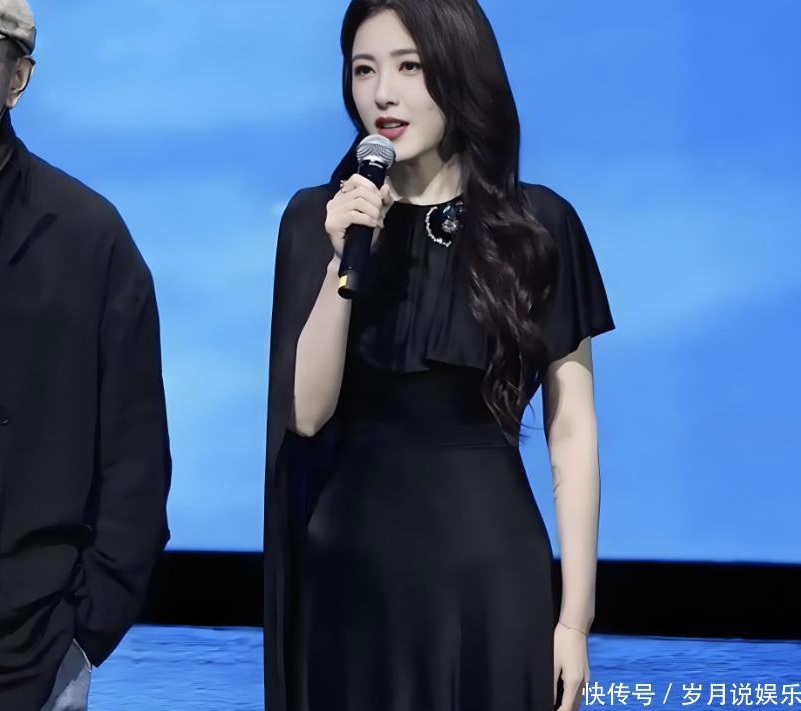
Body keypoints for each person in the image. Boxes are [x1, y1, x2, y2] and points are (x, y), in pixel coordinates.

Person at [264, 1, 614, 709]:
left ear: (458, 71)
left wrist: (574, 619)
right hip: (351, 578)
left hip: (491, 575)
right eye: (364, 70)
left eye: (409, 67)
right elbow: (304, 414)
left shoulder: (539, 225)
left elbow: (572, 431)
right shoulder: (318, 219)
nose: (382, 94)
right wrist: (341, 264)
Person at [0, 2, 172, 709]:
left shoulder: (87, 236)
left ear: (18, 79)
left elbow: (137, 459)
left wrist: (86, 630)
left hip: (28, 649)